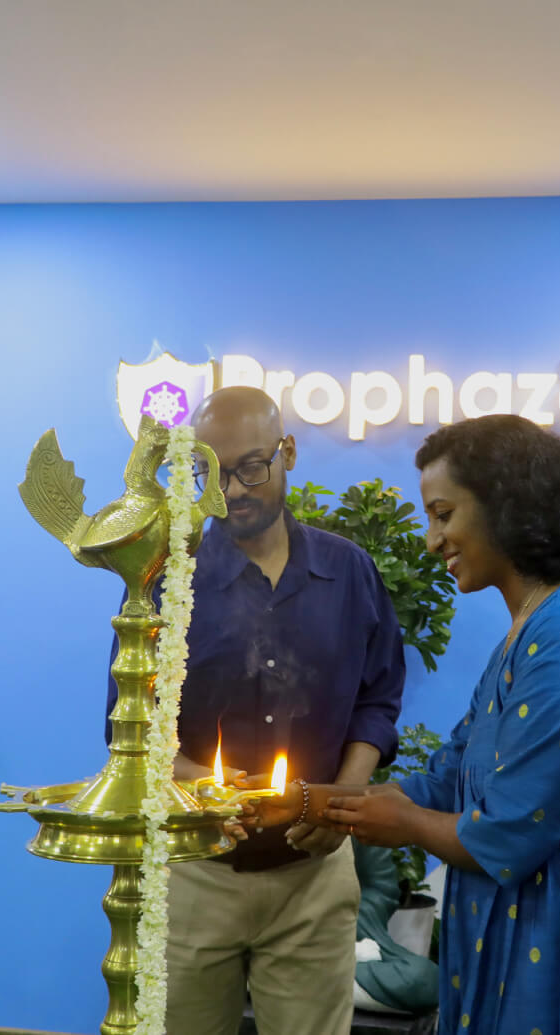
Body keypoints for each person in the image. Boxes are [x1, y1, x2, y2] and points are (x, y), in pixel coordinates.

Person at [249, 414, 560, 1034]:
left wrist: (400, 823)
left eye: (443, 514)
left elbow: (509, 833)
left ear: (506, 508)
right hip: (541, 919)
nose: (433, 540)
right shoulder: (534, 625)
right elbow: (449, 776)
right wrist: (309, 802)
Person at [107, 387, 405, 1035]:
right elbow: (130, 721)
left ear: (288, 452)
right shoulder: (165, 577)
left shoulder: (348, 571)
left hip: (313, 876)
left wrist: (338, 800)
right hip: (193, 875)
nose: (233, 491)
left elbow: (377, 700)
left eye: (250, 467)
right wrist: (196, 780)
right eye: (210, 473)